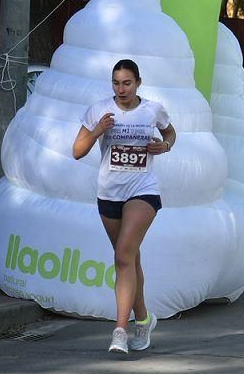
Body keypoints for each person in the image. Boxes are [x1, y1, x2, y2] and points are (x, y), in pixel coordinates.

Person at [72, 59, 176, 354]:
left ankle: (120, 330)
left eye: (127, 83)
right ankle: (143, 319)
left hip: (143, 190)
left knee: (122, 255)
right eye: (116, 83)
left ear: (138, 83)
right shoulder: (98, 110)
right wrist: (97, 130)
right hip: (109, 194)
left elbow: (171, 133)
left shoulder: (152, 110)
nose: (121, 89)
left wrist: (164, 146)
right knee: (129, 260)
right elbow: (77, 151)